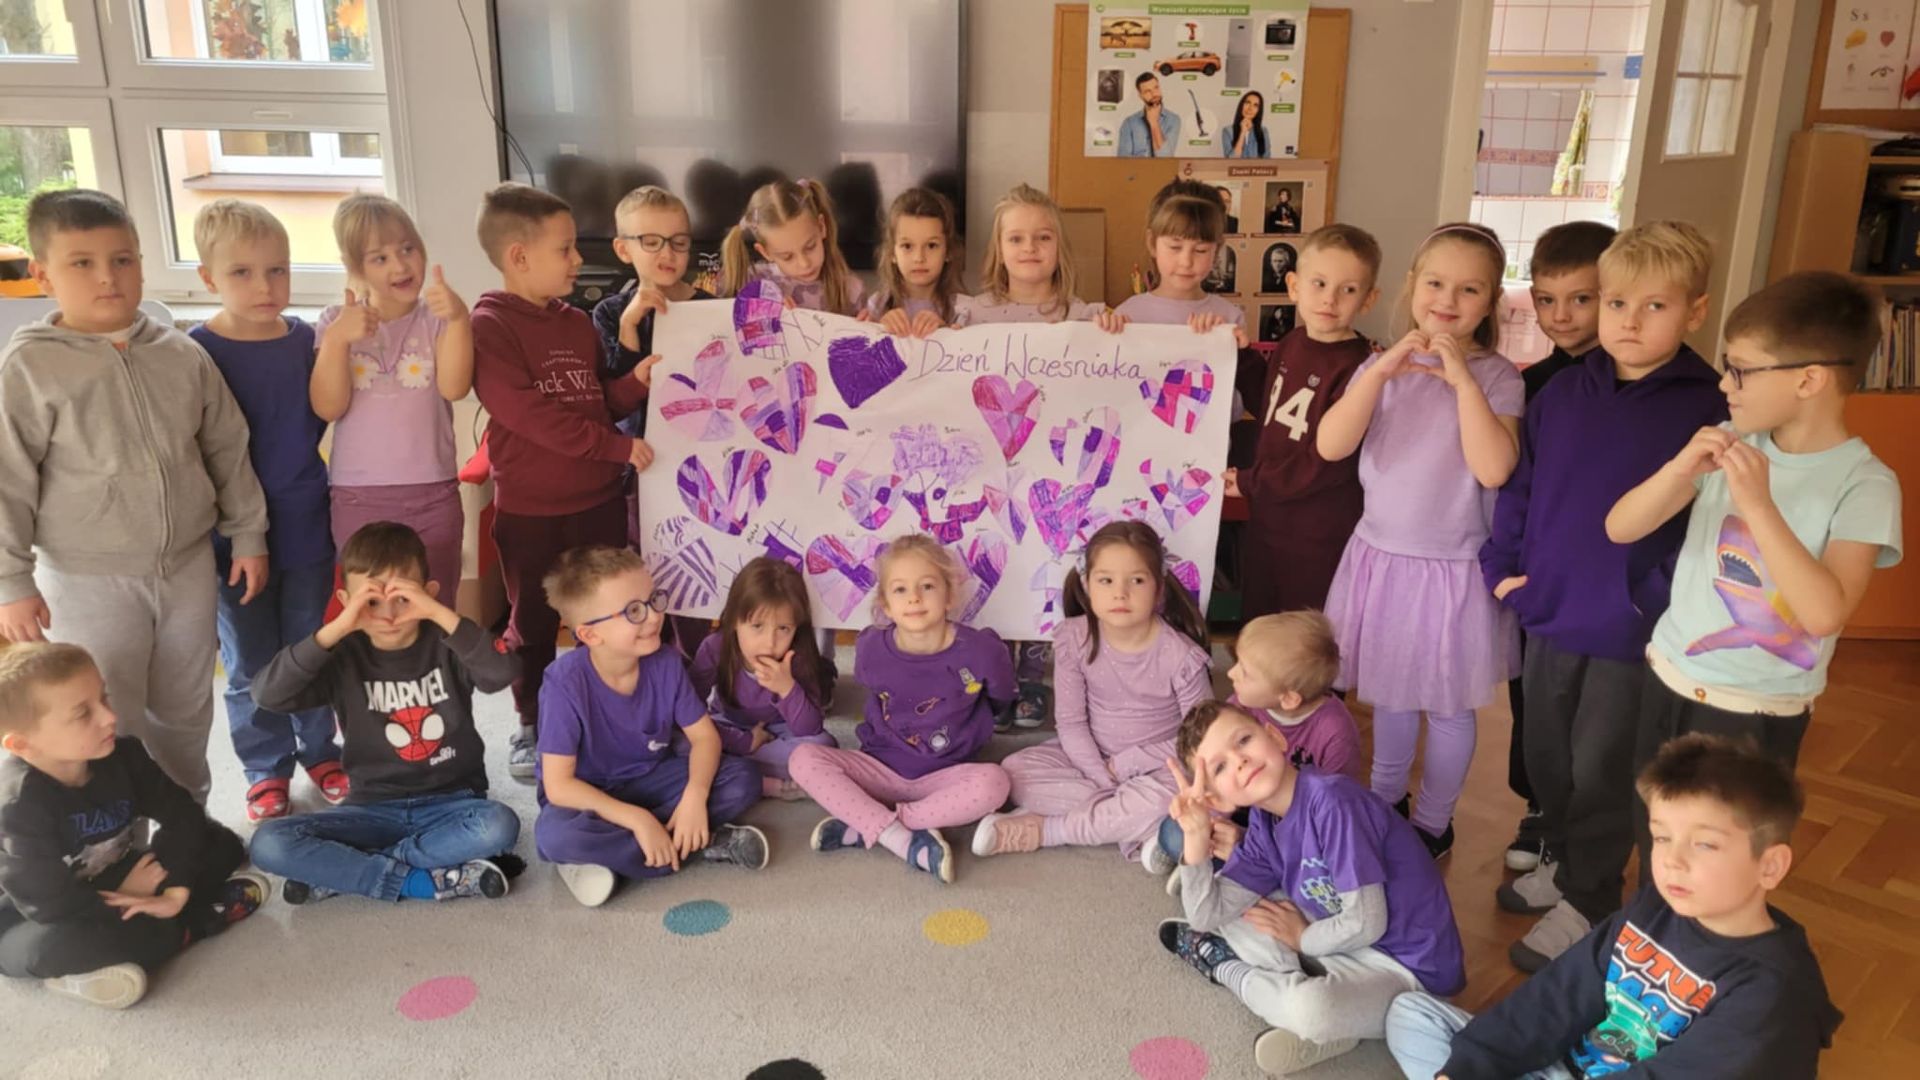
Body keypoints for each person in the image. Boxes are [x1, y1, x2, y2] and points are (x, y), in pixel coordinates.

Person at [1482, 222, 1730, 973]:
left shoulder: (1710, 407)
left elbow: (1709, 527)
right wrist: (1505, 562)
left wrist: (1649, 597)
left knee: (1604, 768)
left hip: (1632, 632)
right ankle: (1562, 860)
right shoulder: (1562, 393)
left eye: (1655, 306)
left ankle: (1590, 897)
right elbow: (1522, 486)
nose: (1629, 321)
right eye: (1617, 302)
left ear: (1694, 311)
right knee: (1547, 755)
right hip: (1550, 612)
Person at [1607, 272, 1901, 850]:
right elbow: (1621, 527)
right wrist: (1679, 470)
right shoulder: (1728, 439)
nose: (1724, 383)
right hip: (1668, 679)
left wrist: (1759, 506)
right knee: (1658, 839)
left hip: (1754, 711)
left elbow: (1825, 613)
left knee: (1723, 858)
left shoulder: (1866, 485)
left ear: (1809, 379)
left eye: (1740, 369)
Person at [0, 189, 268, 803]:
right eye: (82, 263)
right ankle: (115, 835)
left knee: (184, 708)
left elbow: (227, 447)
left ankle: (187, 823)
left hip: (186, 567)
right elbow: (7, 477)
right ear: (44, 274)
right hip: (87, 578)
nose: (107, 277)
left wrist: (248, 533)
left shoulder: (181, 352)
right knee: (105, 714)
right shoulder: (30, 368)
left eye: (122, 260)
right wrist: (10, 580)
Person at [1385, 733, 1843, 1079]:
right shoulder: (1655, 908)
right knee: (1412, 1015)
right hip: (1566, 1067)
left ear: (1770, 866)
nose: (1673, 860)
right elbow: (1560, 994)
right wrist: (1466, 1069)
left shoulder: (1773, 991)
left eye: (1704, 844)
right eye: (1662, 837)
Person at [1317, 222, 1524, 860]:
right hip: (1381, 558)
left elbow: (1495, 468)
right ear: (1412, 285)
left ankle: (1435, 822)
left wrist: (1462, 383)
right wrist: (1380, 372)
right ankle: (1385, 803)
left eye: (1469, 289)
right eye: (1435, 283)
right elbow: (1332, 445)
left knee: (1450, 707)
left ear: (1490, 302)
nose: (1448, 299)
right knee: (1390, 694)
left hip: (1452, 567)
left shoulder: (1497, 376)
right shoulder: (1380, 365)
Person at [1158, 701, 1465, 1076]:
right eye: (1220, 767)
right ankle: (1323, 1009)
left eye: (1243, 740)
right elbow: (1206, 915)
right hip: (1342, 945)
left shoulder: (1334, 803)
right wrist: (1194, 838)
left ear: (1274, 737)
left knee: (1313, 1010)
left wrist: (1302, 939)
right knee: (1236, 911)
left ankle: (1228, 969)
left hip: (1409, 974)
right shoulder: (1263, 824)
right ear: (1217, 801)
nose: (1239, 760)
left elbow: (1368, 923)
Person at [472, 182, 654, 780]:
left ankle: (606, 712)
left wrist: (636, 384)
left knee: (606, 614)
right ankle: (531, 723)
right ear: (519, 256)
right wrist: (617, 447)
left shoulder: (576, 323)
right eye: (566, 248)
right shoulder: (490, 326)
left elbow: (597, 400)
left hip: (599, 502)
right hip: (532, 512)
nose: (578, 259)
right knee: (534, 622)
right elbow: (532, 416)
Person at [247, 522, 522, 905]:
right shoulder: (343, 654)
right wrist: (336, 628)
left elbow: (502, 673)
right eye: (371, 603)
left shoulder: (449, 643)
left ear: (428, 595)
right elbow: (267, 695)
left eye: (404, 599)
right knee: (268, 842)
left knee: (499, 825)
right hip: (369, 808)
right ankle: (419, 879)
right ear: (347, 602)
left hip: (453, 801)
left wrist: (440, 614)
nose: (388, 615)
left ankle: (348, 872)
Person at [0, 644, 268, 1010]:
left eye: (103, 698)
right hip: (38, 913)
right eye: (83, 714)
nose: (109, 717)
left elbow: (183, 816)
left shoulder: (124, 755)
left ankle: (163, 924)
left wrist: (175, 891)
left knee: (222, 845)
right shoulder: (17, 806)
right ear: (23, 744)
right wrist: (128, 893)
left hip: (116, 878)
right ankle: (192, 925)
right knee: (48, 949)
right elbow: (47, 904)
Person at [188, 199, 345, 822]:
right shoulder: (195, 350)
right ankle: (265, 768)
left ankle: (322, 752)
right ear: (209, 278)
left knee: (309, 646)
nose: (265, 286)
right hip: (231, 535)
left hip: (305, 520)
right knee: (250, 660)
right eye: (243, 272)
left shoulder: (307, 339)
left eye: (277, 270)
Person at [967, 184, 1124, 727]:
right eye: (1016, 238)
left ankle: (1035, 676)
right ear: (998, 248)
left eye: (1042, 237)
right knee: (995, 565)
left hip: (1056, 471)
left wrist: (1116, 334)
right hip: (992, 468)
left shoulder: (1085, 315)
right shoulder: (971, 315)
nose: (1029, 248)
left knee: (1047, 566)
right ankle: (994, 678)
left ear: (1060, 245)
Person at [533, 546, 765, 908]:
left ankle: (621, 854)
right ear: (590, 635)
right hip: (587, 797)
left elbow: (705, 738)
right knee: (554, 835)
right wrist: (638, 819)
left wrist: (695, 796)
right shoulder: (563, 682)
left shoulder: (666, 663)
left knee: (743, 778)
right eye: (634, 611)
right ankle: (694, 843)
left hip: (651, 779)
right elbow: (559, 786)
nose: (655, 616)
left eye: (653, 600)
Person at [976, 522, 1211, 862]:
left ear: (1159, 589)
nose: (1120, 593)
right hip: (1091, 760)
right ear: (1087, 585)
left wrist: (1128, 764)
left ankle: (1047, 830)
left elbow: (1202, 739)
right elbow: (1071, 723)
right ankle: (1134, 826)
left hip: (1161, 765)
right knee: (1014, 771)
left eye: (1137, 581)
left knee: (1174, 794)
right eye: (1106, 580)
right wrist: (1102, 777)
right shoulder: (1074, 638)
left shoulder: (1181, 656)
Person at [789, 535, 1015, 883]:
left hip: (946, 777)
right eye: (900, 589)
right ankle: (901, 838)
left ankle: (869, 823)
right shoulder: (871, 648)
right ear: (886, 604)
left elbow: (1001, 699)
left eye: (927, 586)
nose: (914, 598)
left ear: (949, 595)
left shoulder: (982, 650)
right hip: (878, 769)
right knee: (803, 758)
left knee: (996, 783)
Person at [1500, 219, 1619, 875]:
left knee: (1595, 716)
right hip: (1540, 572)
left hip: (1606, 582)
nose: (1562, 315)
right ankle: (1540, 808)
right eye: (1546, 300)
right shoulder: (1534, 382)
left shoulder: (1634, 381)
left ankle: (1585, 832)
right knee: (1533, 700)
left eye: (1581, 299)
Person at [311, 194, 472, 602]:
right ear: (355, 268)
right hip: (358, 496)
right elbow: (328, 407)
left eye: (408, 249)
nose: (400, 266)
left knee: (434, 604)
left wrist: (459, 319)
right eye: (379, 258)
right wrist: (337, 340)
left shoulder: (438, 320)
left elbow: (455, 388)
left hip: (433, 494)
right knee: (371, 609)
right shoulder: (334, 322)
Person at [1224, 224, 1381, 619]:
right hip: (1269, 520)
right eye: (1319, 283)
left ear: (1368, 299)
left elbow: (1327, 462)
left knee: (1305, 632)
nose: (1330, 298)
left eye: (1348, 289)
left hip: (1318, 530)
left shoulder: (1361, 367)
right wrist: (1242, 357)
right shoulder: (1293, 341)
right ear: (1294, 286)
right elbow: (1272, 406)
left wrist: (1251, 481)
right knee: (1262, 621)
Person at [1145, 611, 1365, 877]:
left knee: (1300, 868)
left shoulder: (1336, 733)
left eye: (1245, 672)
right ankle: (1199, 859)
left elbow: (1329, 823)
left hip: (1294, 828)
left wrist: (1245, 839)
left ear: (1288, 699)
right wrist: (1209, 816)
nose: (1231, 673)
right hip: (1245, 800)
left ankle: (1215, 868)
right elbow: (1218, 774)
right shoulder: (1243, 704)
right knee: (1175, 831)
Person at [690, 556, 837, 801]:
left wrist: (787, 688)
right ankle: (765, 782)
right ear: (735, 621)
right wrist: (743, 742)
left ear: (796, 628)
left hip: (780, 731)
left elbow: (810, 728)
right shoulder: (715, 647)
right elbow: (690, 714)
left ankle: (734, 772)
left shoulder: (797, 655)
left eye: (783, 629)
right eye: (757, 626)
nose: (770, 643)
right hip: (729, 726)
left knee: (824, 746)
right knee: (682, 743)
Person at [590, 185, 714, 438]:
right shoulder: (610, 313)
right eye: (651, 243)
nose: (668, 253)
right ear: (623, 250)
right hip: (638, 450)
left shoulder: (710, 309)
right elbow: (613, 402)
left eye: (679, 242)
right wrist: (628, 326)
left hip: (698, 442)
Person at [1112, 183, 1249, 344]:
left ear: (1216, 250)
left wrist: (1238, 348)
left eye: (1200, 250)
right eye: (1175, 247)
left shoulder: (1229, 318)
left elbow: (1242, 359)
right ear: (1152, 243)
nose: (1186, 262)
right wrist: (1104, 336)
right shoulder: (1128, 314)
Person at [720, 178, 865, 316]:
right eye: (787, 257)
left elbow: (865, 331)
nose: (804, 264)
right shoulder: (751, 281)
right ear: (765, 252)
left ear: (822, 227)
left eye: (810, 247)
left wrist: (871, 323)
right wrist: (755, 307)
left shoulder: (851, 291)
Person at [863, 187, 972, 336]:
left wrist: (945, 333)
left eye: (931, 245)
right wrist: (876, 328)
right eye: (907, 246)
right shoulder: (877, 306)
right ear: (892, 253)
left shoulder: (964, 310)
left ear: (948, 251)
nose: (919, 258)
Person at [1117, 72, 1182, 157]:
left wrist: (1154, 122)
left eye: (1156, 88)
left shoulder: (1174, 120)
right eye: (1147, 91)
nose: (1154, 94)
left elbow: (1165, 157)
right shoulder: (1129, 123)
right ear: (1140, 95)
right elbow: (1123, 161)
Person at [1221, 91, 1271, 159]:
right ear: (1241, 105)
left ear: (1258, 111)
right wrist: (1243, 132)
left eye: (1255, 105)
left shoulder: (1263, 131)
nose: (1250, 108)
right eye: (1247, 103)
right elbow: (1231, 160)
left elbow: (1267, 160)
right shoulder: (1228, 131)